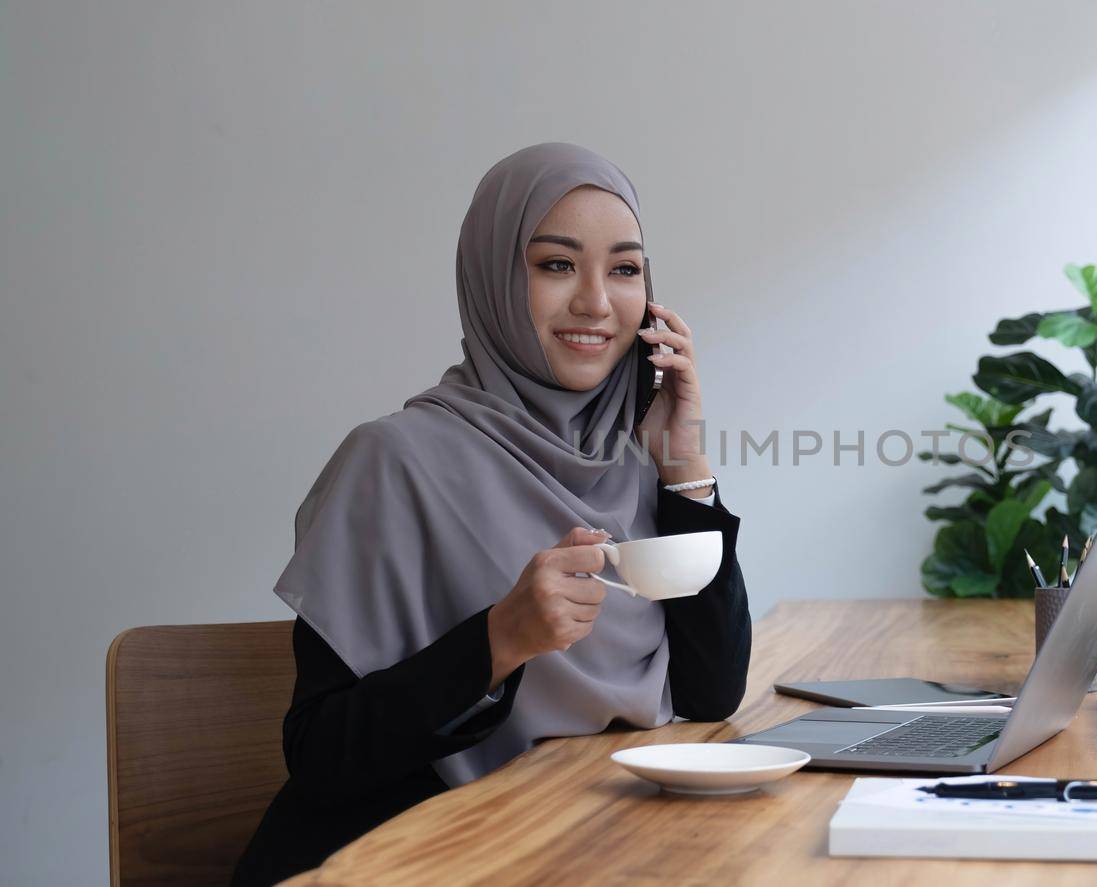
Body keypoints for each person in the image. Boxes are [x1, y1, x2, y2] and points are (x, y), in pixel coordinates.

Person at [232, 143, 751, 886]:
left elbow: (711, 694)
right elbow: (320, 753)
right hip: (405, 861)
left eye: (626, 268)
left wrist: (684, 462)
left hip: (584, 846)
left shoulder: (632, 461)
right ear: (494, 279)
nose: (597, 302)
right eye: (556, 264)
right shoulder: (394, 462)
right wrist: (499, 640)